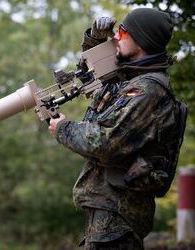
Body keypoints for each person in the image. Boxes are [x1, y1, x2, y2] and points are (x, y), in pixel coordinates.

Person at [48, 8, 182, 250]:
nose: (117, 37)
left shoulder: (147, 91)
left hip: (118, 220)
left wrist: (63, 128)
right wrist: (94, 40)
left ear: (141, 41)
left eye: (123, 31)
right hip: (109, 216)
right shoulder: (128, 81)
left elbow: (106, 144)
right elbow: (91, 74)